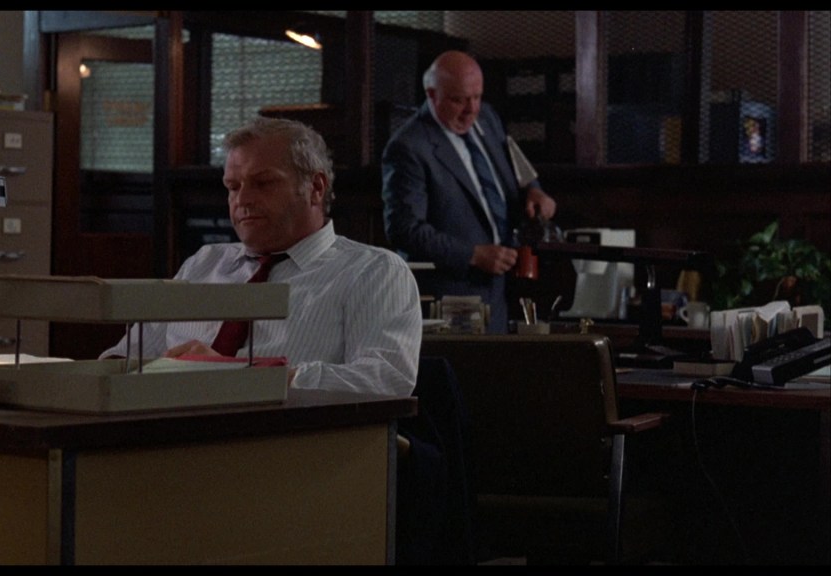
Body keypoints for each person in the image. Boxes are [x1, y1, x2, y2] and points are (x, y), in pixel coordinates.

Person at [101, 116, 422, 397]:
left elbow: (386, 379)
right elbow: (126, 357)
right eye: (232, 186)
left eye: (263, 183)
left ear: (316, 187)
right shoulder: (204, 262)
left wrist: (239, 376)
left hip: (291, 447)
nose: (242, 200)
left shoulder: (373, 271)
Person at [381, 50, 558, 334]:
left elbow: (514, 164)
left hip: (503, 288)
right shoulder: (409, 147)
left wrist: (534, 190)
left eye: (477, 97)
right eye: (459, 100)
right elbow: (404, 229)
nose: (470, 110)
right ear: (431, 94)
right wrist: (472, 255)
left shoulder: (486, 117)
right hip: (453, 295)